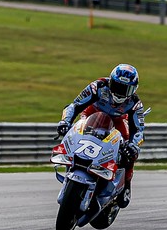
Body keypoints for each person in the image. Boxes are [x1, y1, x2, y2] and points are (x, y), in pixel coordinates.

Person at [54, 64, 145, 207]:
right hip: (91, 115)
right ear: (110, 82)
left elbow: (139, 130)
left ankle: (126, 185)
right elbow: (74, 105)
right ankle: (72, 163)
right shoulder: (98, 87)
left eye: (125, 89)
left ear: (133, 90)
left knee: (129, 153)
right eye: (117, 86)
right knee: (75, 131)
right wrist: (65, 122)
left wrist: (134, 145)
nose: (119, 92)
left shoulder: (135, 103)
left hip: (117, 122)